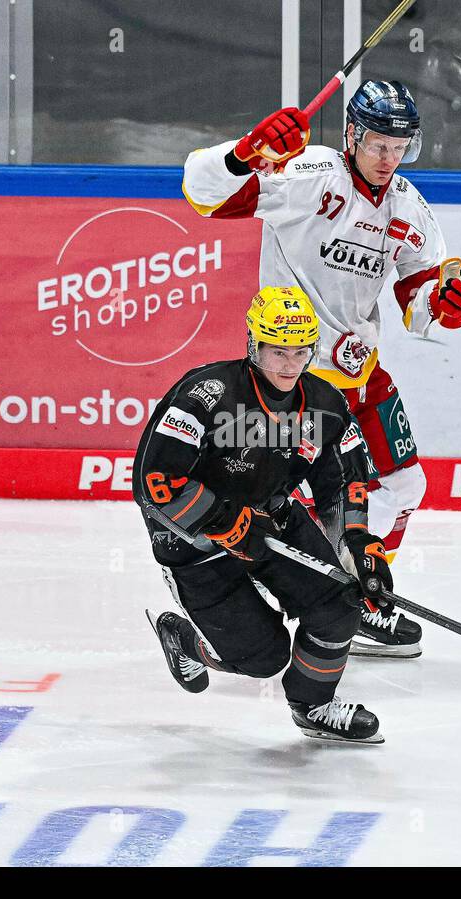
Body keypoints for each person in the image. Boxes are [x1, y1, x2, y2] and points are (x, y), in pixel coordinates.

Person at [181, 80, 461, 658]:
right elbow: (203, 193)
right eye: (377, 144)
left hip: (358, 372)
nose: (388, 159)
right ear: (351, 135)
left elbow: (421, 298)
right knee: (298, 503)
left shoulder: (408, 207)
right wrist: (244, 152)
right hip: (290, 376)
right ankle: (235, 606)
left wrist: (448, 307)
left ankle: (360, 597)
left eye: (401, 148)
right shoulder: (305, 175)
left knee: (405, 484)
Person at [134, 287, 394, 744]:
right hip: (194, 541)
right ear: (253, 344)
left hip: (273, 518)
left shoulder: (326, 404)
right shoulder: (206, 395)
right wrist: (224, 523)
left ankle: (314, 705)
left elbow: (344, 483)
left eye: (300, 352)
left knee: (339, 604)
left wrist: (358, 544)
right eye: (278, 351)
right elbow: (156, 482)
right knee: (263, 659)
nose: (290, 365)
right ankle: (191, 643)